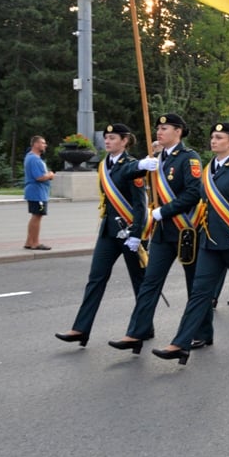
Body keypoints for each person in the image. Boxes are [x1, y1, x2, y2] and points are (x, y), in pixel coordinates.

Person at [152, 122, 229, 364]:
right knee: (199, 294)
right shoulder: (207, 169)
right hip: (210, 242)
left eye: (220, 137)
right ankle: (180, 344)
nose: (214, 141)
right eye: (213, 136)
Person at [109, 113, 207, 354]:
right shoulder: (155, 158)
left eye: (165, 128)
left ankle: (203, 333)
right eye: (158, 128)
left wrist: (164, 211)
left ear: (179, 131)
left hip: (186, 230)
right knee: (150, 283)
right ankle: (136, 332)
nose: (159, 132)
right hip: (163, 234)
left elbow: (194, 193)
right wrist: (140, 164)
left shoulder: (189, 158)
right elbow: (121, 174)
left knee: (194, 285)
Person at [55, 124, 147, 346]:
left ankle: (143, 327)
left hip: (129, 234)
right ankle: (81, 329)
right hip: (108, 232)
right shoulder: (104, 165)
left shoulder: (133, 166)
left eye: (113, 138)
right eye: (106, 137)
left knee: (140, 282)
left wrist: (137, 234)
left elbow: (140, 205)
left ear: (125, 141)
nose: (107, 141)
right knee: (95, 279)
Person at [23, 135, 54, 250]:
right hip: (37, 192)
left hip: (37, 192)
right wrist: (50, 175)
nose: (45, 145)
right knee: (37, 216)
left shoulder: (31, 157)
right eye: (42, 143)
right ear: (35, 144)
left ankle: (29, 242)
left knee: (35, 216)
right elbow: (39, 177)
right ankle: (35, 243)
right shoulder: (34, 159)